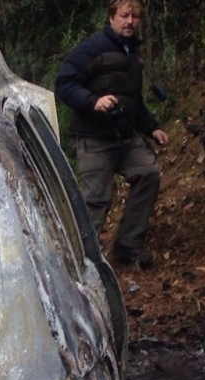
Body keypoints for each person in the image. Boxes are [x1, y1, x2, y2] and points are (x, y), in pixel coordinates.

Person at [55, 0, 169, 269]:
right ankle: (79, 263)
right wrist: (92, 101)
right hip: (93, 138)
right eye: (124, 15)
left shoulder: (133, 55)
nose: (130, 22)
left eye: (136, 17)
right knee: (95, 201)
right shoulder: (92, 49)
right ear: (111, 18)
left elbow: (134, 101)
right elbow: (64, 83)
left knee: (148, 174)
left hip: (126, 136)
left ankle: (127, 245)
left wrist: (153, 128)